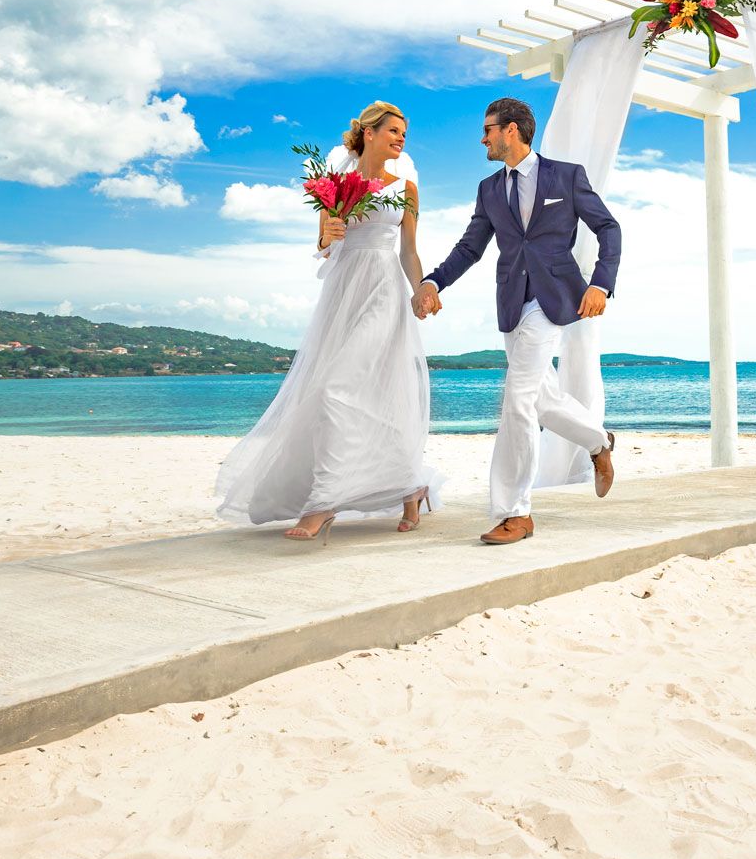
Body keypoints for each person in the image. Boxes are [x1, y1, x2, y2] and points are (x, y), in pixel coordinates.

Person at [216, 102, 441, 542]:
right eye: (393, 131)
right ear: (370, 133)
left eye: (405, 134)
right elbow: (323, 238)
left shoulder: (407, 188)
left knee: (340, 387)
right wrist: (329, 234)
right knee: (362, 394)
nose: (401, 139)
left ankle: (323, 503)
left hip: (383, 291)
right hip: (343, 291)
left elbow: (408, 251)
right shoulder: (333, 184)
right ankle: (412, 485)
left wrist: (421, 289)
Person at [415, 97, 620, 545]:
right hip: (512, 301)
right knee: (540, 397)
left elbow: (608, 228)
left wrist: (600, 285)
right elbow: (471, 247)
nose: (482, 138)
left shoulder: (566, 176)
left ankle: (515, 512)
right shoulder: (489, 188)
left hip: (554, 299)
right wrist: (434, 282)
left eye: (488, 129)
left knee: (518, 399)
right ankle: (598, 441)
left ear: (511, 130)